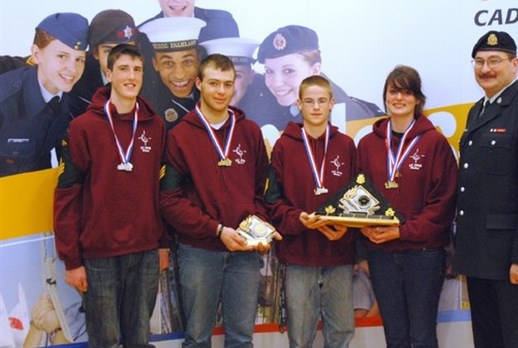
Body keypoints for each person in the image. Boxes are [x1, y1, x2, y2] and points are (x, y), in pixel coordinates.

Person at [53, 44, 168, 346]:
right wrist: (71, 260)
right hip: (99, 254)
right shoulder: (83, 127)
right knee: (106, 341)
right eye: (123, 69)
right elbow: (67, 195)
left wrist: (163, 244)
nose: (131, 77)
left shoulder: (155, 126)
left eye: (137, 70)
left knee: (139, 339)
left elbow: (163, 190)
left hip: (145, 251)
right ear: (108, 72)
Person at [453, 31, 518, 348]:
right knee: (487, 340)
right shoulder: (478, 111)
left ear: (514, 64)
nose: (485, 68)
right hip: (478, 254)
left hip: (511, 258)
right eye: (480, 61)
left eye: (495, 61)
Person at [159, 53, 276, 347]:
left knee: (241, 338)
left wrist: (257, 227)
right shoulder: (180, 136)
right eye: (213, 83)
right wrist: (216, 230)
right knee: (197, 337)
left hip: (244, 253)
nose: (221, 91)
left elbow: (260, 192)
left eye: (227, 83)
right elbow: (170, 201)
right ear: (198, 83)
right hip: (199, 251)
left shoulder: (249, 132)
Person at [357, 65, 457, 347]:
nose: (398, 98)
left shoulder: (435, 143)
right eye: (393, 91)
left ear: (417, 99)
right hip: (382, 254)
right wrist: (364, 229)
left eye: (406, 91)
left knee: (422, 335)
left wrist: (402, 231)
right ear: (385, 97)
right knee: (395, 336)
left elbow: (443, 203)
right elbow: (357, 195)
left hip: (423, 255)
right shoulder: (367, 144)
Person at [265, 75, 357, 347]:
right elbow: (273, 200)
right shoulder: (284, 146)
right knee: (300, 335)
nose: (316, 107)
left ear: (332, 103)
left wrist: (347, 226)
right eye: (309, 101)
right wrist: (298, 219)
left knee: (341, 332)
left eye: (321, 101)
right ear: (299, 104)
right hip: (299, 255)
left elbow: (358, 199)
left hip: (338, 254)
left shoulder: (346, 145)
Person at [0, 13, 88, 177]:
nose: (73, 69)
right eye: (62, 56)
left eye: (80, 60)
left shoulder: (74, 105)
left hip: (37, 194)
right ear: (36, 55)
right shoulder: (5, 101)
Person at [254, 25, 383, 130]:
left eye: (288, 71)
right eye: (269, 71)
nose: (276, 83)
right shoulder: (311, 92)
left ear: (315, 70)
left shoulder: (333, 118)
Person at [68, 9, 138, 117]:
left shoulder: (153, 77)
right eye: (109, 51)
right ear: (96, 53)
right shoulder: (76, 79)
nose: (118, 61)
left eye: (127, 50)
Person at [140, 17, 205, 130]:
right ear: (155, 64)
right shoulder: (147, 107)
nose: (179, 75)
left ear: (199, 59)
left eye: (187, 61)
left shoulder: (212, 93)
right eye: (168, 63)